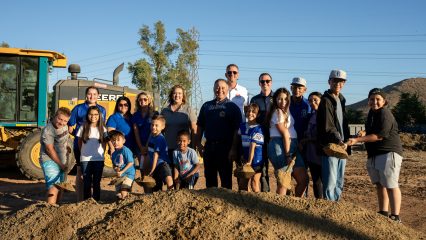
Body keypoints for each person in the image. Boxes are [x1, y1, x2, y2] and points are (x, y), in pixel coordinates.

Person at [347, 88, 403, 223]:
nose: (375, 102)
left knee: (390, 184)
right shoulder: (372, 113)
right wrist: (364, 132)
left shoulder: (384, 114)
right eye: (372, 99)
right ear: (368, 101)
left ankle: (395, 216)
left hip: (388, 153)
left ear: (384, 101)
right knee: (380, 184)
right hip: (375, 154)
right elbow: (372, 130)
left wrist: (357, 140)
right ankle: (383, 212)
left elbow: (378, 136)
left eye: (378, 99)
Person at [196, 79, 242, 189]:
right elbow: (200, 126)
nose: (220, 90)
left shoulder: (232, 107)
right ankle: (211, 205)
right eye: (217, 87)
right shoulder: (206, 106)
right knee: (210, 181)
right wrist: (198, 144)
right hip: (209, 147)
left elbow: (237, 130)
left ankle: (227, 205)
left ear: (227, 90)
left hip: (225, 148)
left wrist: (233, 149)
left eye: (223, 88)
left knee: (226, 181)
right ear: (213, 88)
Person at [317, 69, 351, 201]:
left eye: (341, 81)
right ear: (329, 82)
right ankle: (330, 208)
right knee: (330, 180)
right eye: (335, 80)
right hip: (331, 146)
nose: (338, 83)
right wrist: (338, 140)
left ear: (344, 83)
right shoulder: (326, 100)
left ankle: (337, 206)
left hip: (342, 145)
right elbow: (328, 126)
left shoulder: (341, 100)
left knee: (339, 180)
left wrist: (347, 141)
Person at [266, 88, 308, 196]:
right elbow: (284, 133)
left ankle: (294, 207)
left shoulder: (287, 111)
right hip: (280, 145)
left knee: (303, 179)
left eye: (285, 99)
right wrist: (288, 154)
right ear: (275, 99)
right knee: (283, 181)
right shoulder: (277, 112)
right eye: (279, 99)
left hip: (291, 144)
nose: (282, 102)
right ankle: (280, 209)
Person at [68, 86, 106, 201]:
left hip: (96, 150)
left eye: (95, 94)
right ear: (86, 95)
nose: (92, 96)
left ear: (98, 96)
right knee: (81, 173)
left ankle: (95, 200)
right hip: (81, 147)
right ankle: (80, 199)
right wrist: (83, 138)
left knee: (95, 180)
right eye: (90, 94)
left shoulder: (102, 109)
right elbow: (70, 127)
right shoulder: (78, 108)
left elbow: (102, 129)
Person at [161, 85, 197, 179]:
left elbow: (194, 130)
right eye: (175, 93)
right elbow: (161, 130)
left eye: (180, 93)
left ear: (183, 96)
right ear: (171, 95)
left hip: (184, 150)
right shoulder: (165, 111)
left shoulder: (188, 109)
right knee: (170, 175)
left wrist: (193, 146)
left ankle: (183, 194)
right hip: (169, 148)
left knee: (183, 176)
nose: (177, 95)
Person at [39, 107, 72, 205]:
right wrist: (60, 164)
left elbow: (65, 138)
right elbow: (49, 150)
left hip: (62, 160)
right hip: (50, 161)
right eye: (60, 119)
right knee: (54, 186)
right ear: (55, 116)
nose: (62, 123)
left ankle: (56, 209)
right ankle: (49, 210)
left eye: (65, 121)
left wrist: (67, 148)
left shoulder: (65, 126)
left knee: (61, 185)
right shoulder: (48, 130)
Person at [76, 106, 107, 201]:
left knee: (97, 182)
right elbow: (79, 142)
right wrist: (83, 153)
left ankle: (96, 201)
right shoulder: (83, 127)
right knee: (87, 182)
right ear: (87, 115)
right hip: (85, 160)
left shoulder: (103, 128)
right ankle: (87, 201)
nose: (93, 116)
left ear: (99, 116)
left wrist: (102, 154)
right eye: (91, 114)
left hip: (98, 159)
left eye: (96, 114)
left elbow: (104, 143)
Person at [250, 73, 274, 192]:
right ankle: (266, 193)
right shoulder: (255, 99)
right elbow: (251, 118)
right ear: (259, 83)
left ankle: (285, 197)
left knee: (280, 168)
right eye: (262, 81)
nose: (265, 83)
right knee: (262, 167)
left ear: (271, 82)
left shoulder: (277, 97)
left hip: (275, 137)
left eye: (267, 81)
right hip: (260, 138)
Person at [300, 92, 323, 199]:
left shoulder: (325, 116)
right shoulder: (312, 115)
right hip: (311, 153)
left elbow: (322, 136)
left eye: (315, 100)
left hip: (321, 153)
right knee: (316, 180)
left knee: (323, 180)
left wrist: (307, 140)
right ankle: (319, 202)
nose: (312, 102)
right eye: (310, 100)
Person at [237, 103, 264, 192]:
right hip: (245, 158)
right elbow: (238, 140)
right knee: (242, 184)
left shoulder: (258, 129)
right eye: (248, 111)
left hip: (256, 159)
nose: (250, 113)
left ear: (258, 114)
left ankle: (258, 203)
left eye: (253, 112)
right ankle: (246, 202)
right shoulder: (242, 126)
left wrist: (249, 161)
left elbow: (253, 146)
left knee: (254, 183)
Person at [145, 115, 174, 192]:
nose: (153, 127)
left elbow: (156, 155)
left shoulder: (160, 138)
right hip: (154, 165)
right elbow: (149, 152)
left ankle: (172, 192)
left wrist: (152, 170)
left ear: (162, 127)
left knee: (168, 177)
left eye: (156, 125)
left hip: (162, 163)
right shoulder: (152, 136)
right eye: (152, 125)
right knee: (156, 185)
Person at [132, 91, 157, 172]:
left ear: (149, 101)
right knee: (142, 168)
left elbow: (154, 131)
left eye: (145, 99)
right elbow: (136, 132)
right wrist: (141, 147)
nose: (142, 101)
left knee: (152, 169)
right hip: (139, 146)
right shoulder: (135, 115)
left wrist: (146, 146)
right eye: (140, 100)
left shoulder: (154, 114)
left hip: (152, 145)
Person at [110, 130, 135, 200]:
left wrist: (122, 171)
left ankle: (126, 203)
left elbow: (131, 162)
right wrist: (115, 168)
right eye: (113, 141)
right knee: (118, 194)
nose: (116, 142)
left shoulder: (125, 150)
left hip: (128, 174)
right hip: (120, 176)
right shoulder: (114, 153)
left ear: (123, 141)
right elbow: (114, 165)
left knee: (124, 190)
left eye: (118, 140)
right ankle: (122, 203)